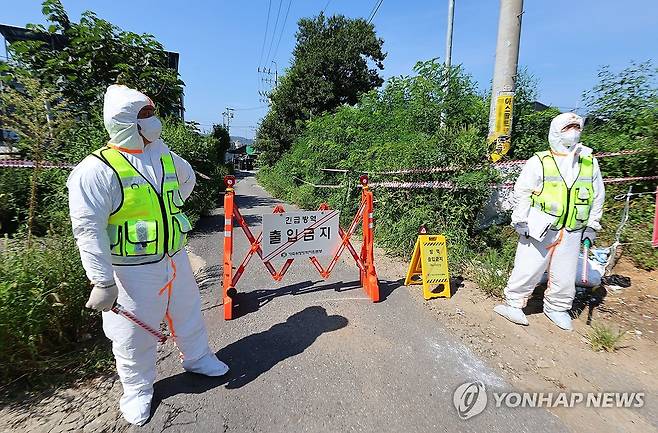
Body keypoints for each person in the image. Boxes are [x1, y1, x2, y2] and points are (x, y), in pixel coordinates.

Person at [67, 84, 229, 426]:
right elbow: (88, 229)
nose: (154, 121)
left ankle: (198, 357)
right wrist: (101, 280)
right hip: (130, 270)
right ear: (125, 122)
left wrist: (171, 208)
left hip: (174, 256)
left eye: (151, 113)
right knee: (131, 335)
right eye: (145, 115)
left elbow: (186, 180)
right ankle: (137, 389)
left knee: (188, 313)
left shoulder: (163, 153)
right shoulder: (97, 170)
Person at [494, 112, 605, 331]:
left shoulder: (588, 161)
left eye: (576, 127)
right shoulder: (541, 161)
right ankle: (514, 304)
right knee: (528, 267)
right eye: (567, 128)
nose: (573, 132)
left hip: (573, 226)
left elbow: (597, 195)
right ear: (556, 132)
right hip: (540, 225)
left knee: (564, 272)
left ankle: (557, 307)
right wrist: (520, 219)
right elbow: (522, 191)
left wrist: (593, 224)